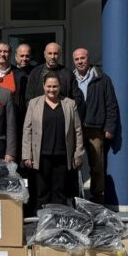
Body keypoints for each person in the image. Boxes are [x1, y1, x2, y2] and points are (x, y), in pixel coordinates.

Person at [22, 73, 85, 208]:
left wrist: (78, 153)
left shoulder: (70, 104)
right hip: (41, 155)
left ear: (60, 86)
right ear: (43, 86)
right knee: (42, 191)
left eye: (55, 86)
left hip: (62, 155)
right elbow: (27, 130)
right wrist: (27, 154)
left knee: (60, 190)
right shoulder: (34, 103)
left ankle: (58, 216)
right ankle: (43, 216)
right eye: (49, 86)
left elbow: (77, 130)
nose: (52, 89)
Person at [72, 47, 120, 204]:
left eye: (83, 58)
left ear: (88, 58)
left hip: (95, 129)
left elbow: (111, 104)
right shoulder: (70, 78)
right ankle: (76, 195)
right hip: (75, 129)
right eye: (77, 59)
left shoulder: (102, 78)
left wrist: (109, 127)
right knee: (74, 164)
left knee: (97, 165)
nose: (80, 61)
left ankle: (97, 196)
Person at [0, 42, 28, 116]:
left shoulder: (21, 75)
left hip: (14, 117)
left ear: (10, 54)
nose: (2, 54)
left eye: (5, 51)